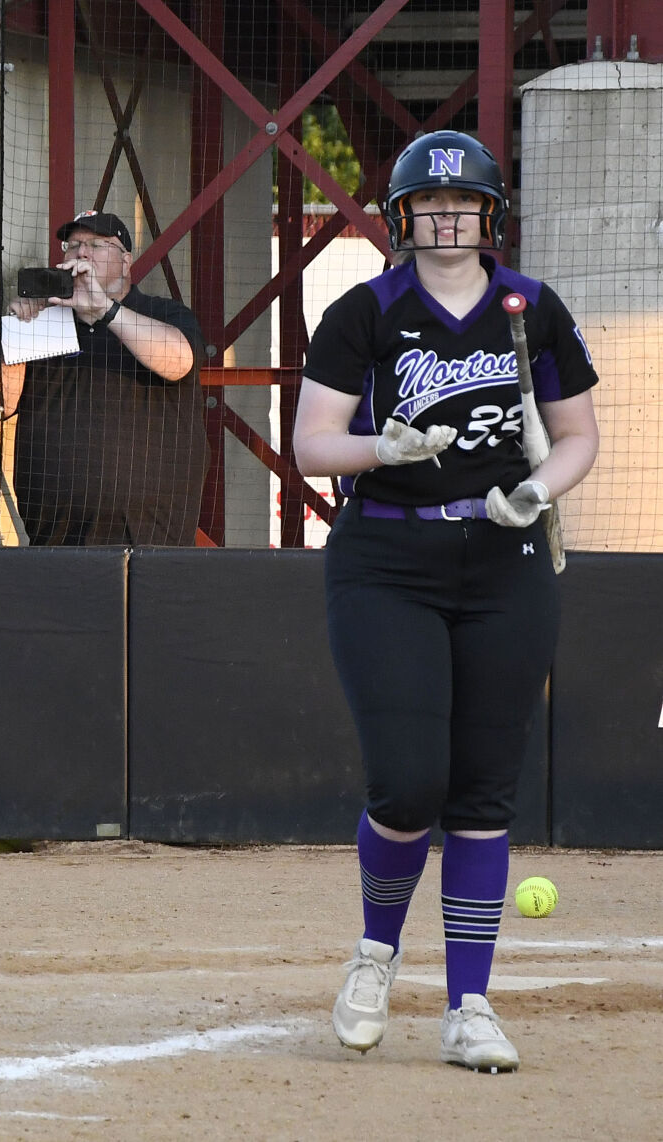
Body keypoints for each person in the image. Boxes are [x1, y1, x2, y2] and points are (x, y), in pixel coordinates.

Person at [293, 130, 599, 1073]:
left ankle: (469, 1004)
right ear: (402, 217)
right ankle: (376, 955)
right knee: (410, 780)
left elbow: (578, 435)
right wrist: (384, 448)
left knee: (481, 791)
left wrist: (538, 492)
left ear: (490, 214)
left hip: (504, 558)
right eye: (429, 204)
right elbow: (313, 445)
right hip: (388, 556)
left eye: (464, 203)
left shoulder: (532, 309)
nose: (447, 217)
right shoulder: (366, 310)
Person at [8, 210, 208, 546]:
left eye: (97, 245)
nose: (81, 253)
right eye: (72, 246)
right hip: (54, 537)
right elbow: (3, 405)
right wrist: (17, 329)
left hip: (150, 537)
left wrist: (105, 309)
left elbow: (180, 361)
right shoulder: (48, 322)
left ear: (126, 261)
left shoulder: (162, 313)